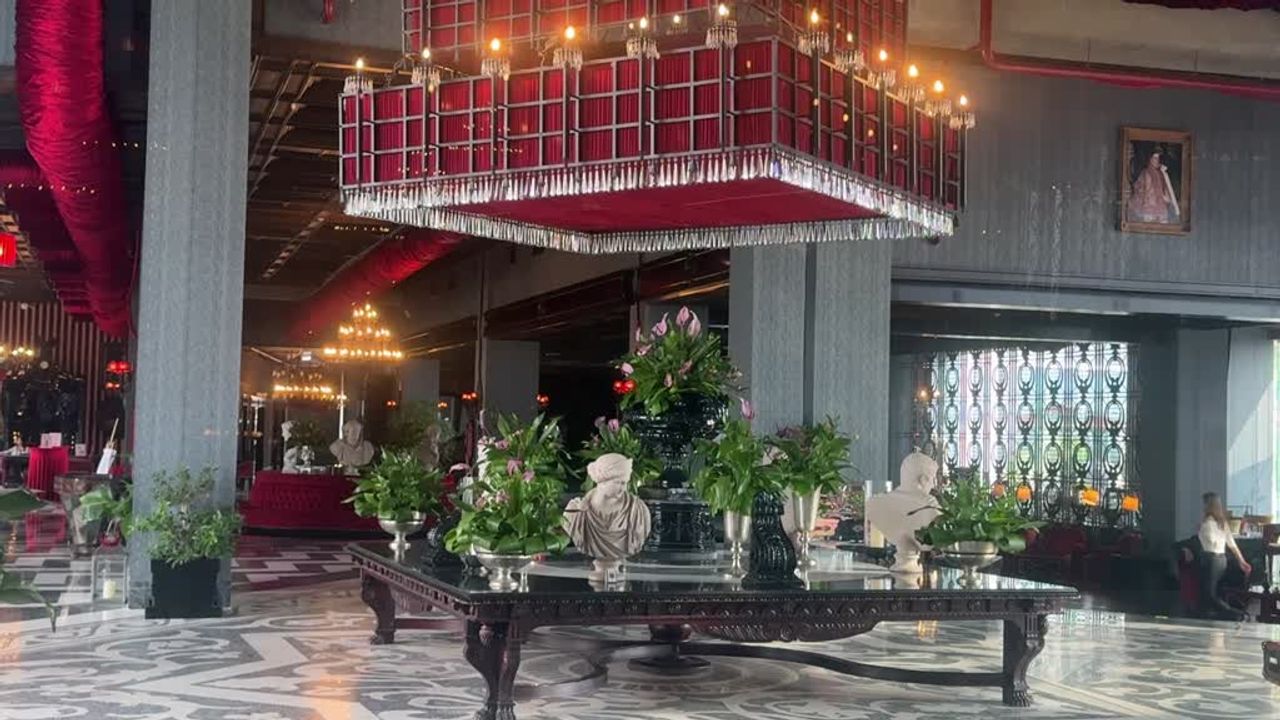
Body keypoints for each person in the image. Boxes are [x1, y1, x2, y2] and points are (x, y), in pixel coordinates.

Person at [1198, 492, 1251, 621]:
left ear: (1208, 505)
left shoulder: (1208, 523)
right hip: (1222, 560)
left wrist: (1201, 529)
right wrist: (1242, 561)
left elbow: (1211, 541)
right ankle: (1216, 615)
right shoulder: (1222, 523)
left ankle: (1235, 613)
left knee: (1209, 594)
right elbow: (1232, 544)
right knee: (1212, 591)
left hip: (1211, 559)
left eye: (1204, 504)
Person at [1127, 148, 1179, 224]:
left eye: (1158, 158)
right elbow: (1144, 190)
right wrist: (1146, 202)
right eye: (1155, 158)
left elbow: (1164, 190)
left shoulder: (1160, 173)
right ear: (1150, 159)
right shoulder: (1146, 173)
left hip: (1160, 205)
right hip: (1148, 206)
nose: (1157, 160)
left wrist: (1166, 198)